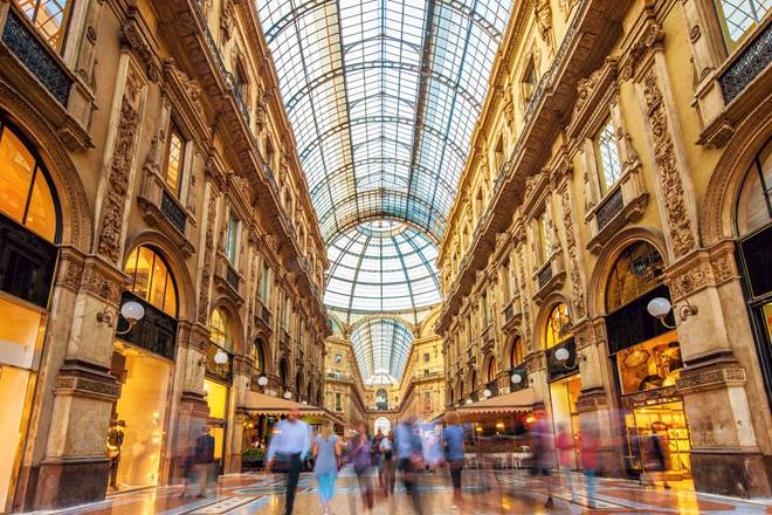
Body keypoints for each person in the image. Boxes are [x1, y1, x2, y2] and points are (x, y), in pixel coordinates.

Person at [266, 407, 312, 515]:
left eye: (295, 412)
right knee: (280, 484)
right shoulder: (281, 425)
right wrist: (270, 458)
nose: (293, 414)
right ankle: (279, 504)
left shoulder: (303, 426)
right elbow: (275, 442)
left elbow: (306, 443)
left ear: (298, 414)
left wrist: (301, 457)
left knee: (292, 485)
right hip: (281, 457)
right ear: (288, 414)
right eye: (291, 412)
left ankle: (288, 510)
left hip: (296, 457)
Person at [395, 415, 424, 514]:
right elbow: (403, 444)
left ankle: (417, 510)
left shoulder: (404, 429)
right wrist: (419, 458)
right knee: (412, 487)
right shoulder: (403, 429)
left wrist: (419, 458)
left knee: (412, 487)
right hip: (407, 460)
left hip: (407, 461)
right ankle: (417, 510)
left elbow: (416, 443)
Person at [312, 423, 340, 514]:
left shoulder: (318, 438)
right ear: (331, 427)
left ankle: (325, 509)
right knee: (330, 486)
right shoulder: (335, 438)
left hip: (320, 464)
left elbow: (315, 453)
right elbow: (338, 452)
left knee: (322, 487)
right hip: (331, 464)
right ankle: (328, 506)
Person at [530, 412, 555, 508]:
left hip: (541, 458)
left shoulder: (538, 426)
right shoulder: (546, 426)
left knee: (544, 478)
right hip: (546, 458)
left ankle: (549, 499)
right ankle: (550, 498)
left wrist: (534, 454)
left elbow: (537, 442)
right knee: (547, 479)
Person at [442, 413, 466, 510]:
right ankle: (459, 499)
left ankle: (456, 502)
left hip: (453, 458)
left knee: (455, 480)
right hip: (460, 457)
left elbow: (442, 444)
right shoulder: (460, 429)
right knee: (458, 480)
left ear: (448, 420)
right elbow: (463, 444)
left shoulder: (447, 430)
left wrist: (444, 453)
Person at [349, 422, 374, 514]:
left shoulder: (369, 439)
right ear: (358, 429)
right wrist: (360, 445)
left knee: (369, 488)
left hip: (366, 466)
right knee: (362, 488)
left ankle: (370, 509)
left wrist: (365, 443)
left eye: (363, 427)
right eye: (360, 427)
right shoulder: (354, 440)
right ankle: (364, 505)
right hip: (358, 467)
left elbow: (368, 451)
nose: (361, 429)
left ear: (365, 429)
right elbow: (352, 454)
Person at [580, 423, 600, 508]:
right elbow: (597, 446)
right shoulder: (593, 439)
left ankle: (590, 500)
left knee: (588, 482)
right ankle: (591, 501)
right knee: (591, 482)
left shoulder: (582, 439)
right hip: (592, 462)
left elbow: (581, 449)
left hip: (586, 462)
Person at [192, 425, 216, 498]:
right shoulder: (212, 439)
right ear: (209, 430)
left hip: (201, 461)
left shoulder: (199, 439)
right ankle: (208, 492)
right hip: (209, 461)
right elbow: (212, 450)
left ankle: (202, 493)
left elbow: (198, 450)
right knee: (208, 477)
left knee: (202, 477)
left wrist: (195, 461)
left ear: (202, 430)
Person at [554, 424, 575, 501]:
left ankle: (572, 495)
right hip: (569, 457)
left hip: (564, 458)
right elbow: (572, 445)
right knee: (569, 477)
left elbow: (556, 446)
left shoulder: (559, 437)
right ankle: (572, 494)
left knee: (568, 477)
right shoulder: (568, 436)